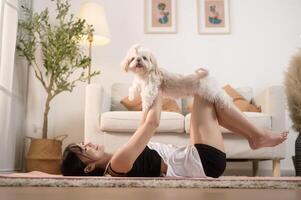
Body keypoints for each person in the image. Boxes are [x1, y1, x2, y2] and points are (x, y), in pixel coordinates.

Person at [60, 91, 288, 178]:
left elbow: (142, 125)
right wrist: (157, 88)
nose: (88, 143)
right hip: (205, 163)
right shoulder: (117, 164)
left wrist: (149, 90)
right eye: (84, 148)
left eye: (83, 142)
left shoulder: (118, 159)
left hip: (197, 157)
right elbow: (152, 123)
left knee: (205, 91)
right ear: (88, 168)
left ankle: (256, 136)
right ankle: (257, 136)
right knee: (205, 90)